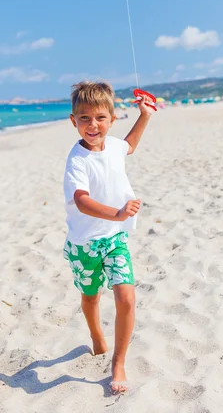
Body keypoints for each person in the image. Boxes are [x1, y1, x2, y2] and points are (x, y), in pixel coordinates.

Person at [63, 81, 154, 393]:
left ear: (112, 120)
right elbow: (81, 200)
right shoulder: (77, 160)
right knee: (90, 296)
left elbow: (129, 146)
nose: (93, 125)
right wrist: (116, 212)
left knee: (126, 297)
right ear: (73, 121)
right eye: (84, 118)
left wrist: (145, 116)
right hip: (84, 243)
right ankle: (95, 334)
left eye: (100, 118)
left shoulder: (114, 145)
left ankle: (118, 361)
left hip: (115, 238)